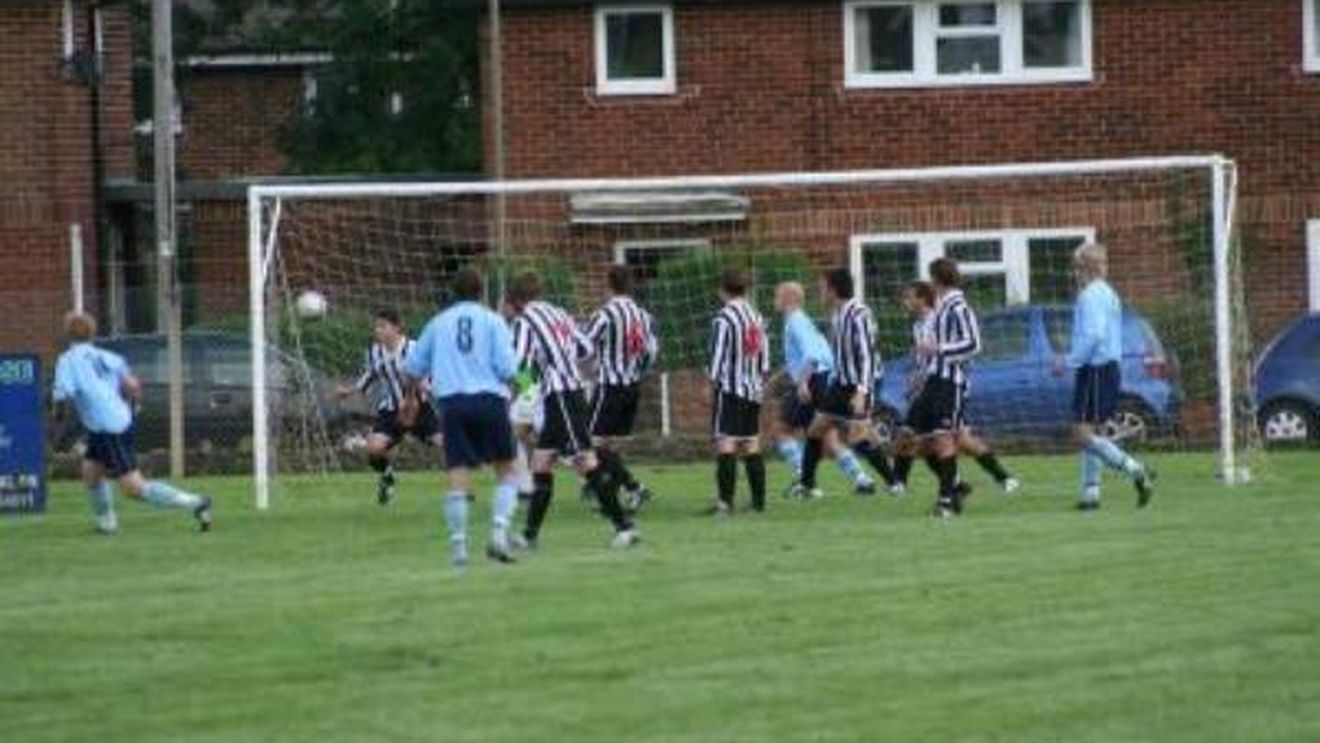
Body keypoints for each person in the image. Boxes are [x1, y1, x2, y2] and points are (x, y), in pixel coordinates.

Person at [507, 273, 639, 549]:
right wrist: (567, 365)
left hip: (560, 397)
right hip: (572, 390)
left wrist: (528, 399)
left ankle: (624, 527)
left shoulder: (524, 321)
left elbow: (520, 364)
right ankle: (529, 536)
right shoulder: (559, 314)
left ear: (516, 301)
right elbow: (586, 348)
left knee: (585, 462)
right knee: (540, 464)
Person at [51, 312, 212, 534]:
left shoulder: (67, 361)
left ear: (67, 333)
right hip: (114, 421)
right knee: (91, 472)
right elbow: (132, 386)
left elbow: (62, 396)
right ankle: (107, 524)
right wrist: (129, 405)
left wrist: (56, 425)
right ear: (91, 333)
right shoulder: (107, 356)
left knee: (133, 487)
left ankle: (197, 502)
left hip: (108, 427)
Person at [402, 270, 521, 567]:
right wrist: (522, 388)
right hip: (489, 399)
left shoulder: (438, 323)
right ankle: (498, 533)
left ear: (452, 293)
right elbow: (508, 369)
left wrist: (410, 398)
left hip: (452, 403)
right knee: (506, 470)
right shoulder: (494, 321)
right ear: (482, 292)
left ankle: (459, 551)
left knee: (457, 473)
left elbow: (412, 367)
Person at [890, 281, 1019, 496]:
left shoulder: (938, 319)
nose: (905, 302)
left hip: (949, 386)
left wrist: (929, 376)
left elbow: (954, 353)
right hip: (931, 386)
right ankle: (909, 484)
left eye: (909, 297)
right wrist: (918, 377)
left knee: (948, 439)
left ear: (922, 298)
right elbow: (927, 359)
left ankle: (995, 479)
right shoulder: (917, 326)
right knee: (922, 437)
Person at [1053, 243, 1155, 511]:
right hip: (1104, 368)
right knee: (1094, 432)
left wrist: (1070, 360)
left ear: (1083, 268)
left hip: (1096, 368)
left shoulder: (1092, 295)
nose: (1074, 273)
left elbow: (1094, 334)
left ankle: (1137, 470)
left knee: (1081, 434)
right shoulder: (1106, 292)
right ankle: (1091, 494)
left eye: (1076, 267)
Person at [796, 269, 897, 499]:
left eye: (822, 286)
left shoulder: (858, 313)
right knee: (816, 429)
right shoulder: (837, 314)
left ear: (833, 288)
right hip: (841, 383)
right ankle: (807, 486)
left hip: (862, 382)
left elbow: (867, 355)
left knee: (858, 436)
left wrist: (861, 391)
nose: (819, 291)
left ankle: (894, 483)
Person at [771, 281, 877, 498]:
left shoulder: (795, 321)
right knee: (827, 437)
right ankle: (862, 479)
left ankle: (804, 481)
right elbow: (818, 353)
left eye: (776, 296)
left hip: (813, 381)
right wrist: (777, 379)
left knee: (781, 430)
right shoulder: (802, 321)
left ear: (789, 298)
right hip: (822, 379)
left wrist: (802, 382)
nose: (774, 300)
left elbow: (812, 355)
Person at [336, 308, 443, 505]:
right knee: (374, 449)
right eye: (376, 327)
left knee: (445, 445)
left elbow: (432, 377)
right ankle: (387, 476)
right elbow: (370, 376)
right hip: (391, 410)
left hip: (419, 408)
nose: (378, 331)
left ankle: (462, 488)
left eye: (383, 326)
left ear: (397, 328)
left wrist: (425, 390)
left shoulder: (415, 349)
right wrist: (349, 391)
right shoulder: (374, 352)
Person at [909, 259, 982, 518]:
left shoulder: (959, 307)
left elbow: (973, 344)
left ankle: (947, 501)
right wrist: (922, 372)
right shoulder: (943, 307)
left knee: (943, 439)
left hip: (952, 382)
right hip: (937, 381)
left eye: (931, 278)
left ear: (936, 279)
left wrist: (938, 349)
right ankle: (953, 493)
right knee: (927, 442)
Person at [582, 266, 659, 511]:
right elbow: (652, 352)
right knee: (609, 444)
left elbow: (584, 346)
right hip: (632, 386)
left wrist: (585, 367)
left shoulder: (605, 314)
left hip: (609, 386)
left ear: (609, 284)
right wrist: (639, 371)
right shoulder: (644, 316)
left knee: (590, 442)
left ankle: (632, 486)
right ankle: (610, 492)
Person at [708, 270, 771, 514]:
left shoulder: (724, 319)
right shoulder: (756, 317)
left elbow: (717, 358)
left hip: (730, 388)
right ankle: (758, 503)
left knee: (726, 442)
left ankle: (725, 503)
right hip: (753, 389)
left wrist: (713, 382)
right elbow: (764, 361)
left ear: (722, 290)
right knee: (751, 443)